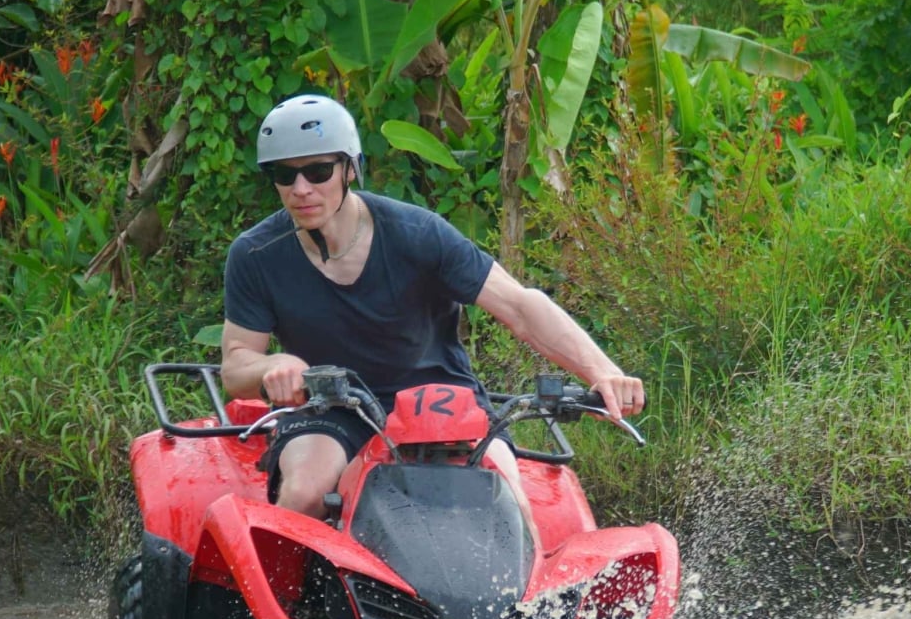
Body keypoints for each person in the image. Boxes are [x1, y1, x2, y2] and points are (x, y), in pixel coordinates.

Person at [220, 93, 644, 519]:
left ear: (350, 167)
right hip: (329, 405)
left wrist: (602, 371)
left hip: (442, 400)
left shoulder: (417, 233)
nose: (301, 189)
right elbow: (237, 364)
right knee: (304, 493)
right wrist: (276, 368)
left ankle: (538, 591)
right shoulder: (256, 253)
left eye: (318, 170)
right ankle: (290, 588)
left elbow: (520, 306)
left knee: (509, 506)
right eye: (283, 175)